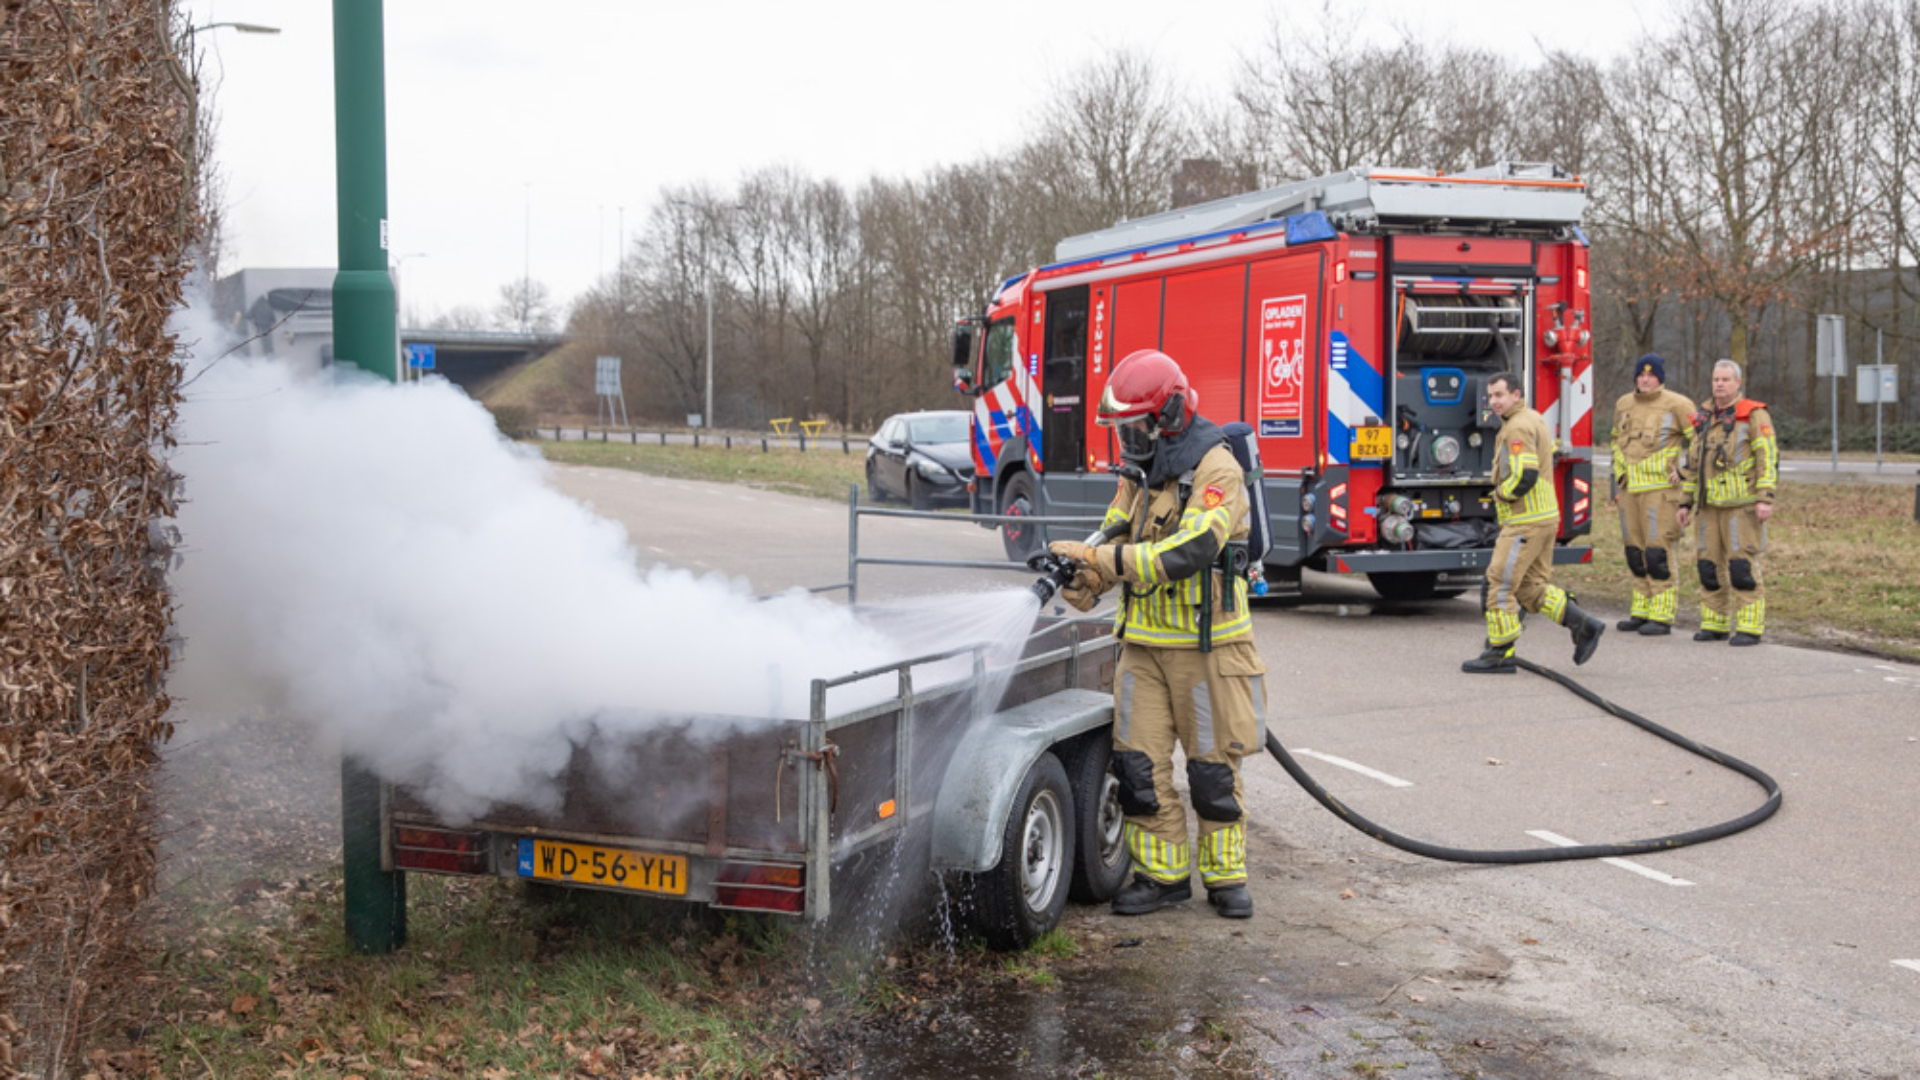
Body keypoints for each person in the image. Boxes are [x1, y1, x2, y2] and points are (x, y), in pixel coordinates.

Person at [1046, 348, 1267, 920]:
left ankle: (1225, 879)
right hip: (1143, 647)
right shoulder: (1137, 474)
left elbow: (1190, 549)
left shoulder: (1216, 469)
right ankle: (1163, 876)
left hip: (1208, 649)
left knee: (1212, 770)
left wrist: (1105, 560)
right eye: (1120, 428)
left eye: (1134, 425)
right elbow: (1116, 532)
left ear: (1168, 414)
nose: (1127, 438)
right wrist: (1083, 577)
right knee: (1139, 768)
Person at [1462, 372, 1606, 674]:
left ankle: (1499, 653)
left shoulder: (1517, 427)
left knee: (1499, 582)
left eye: (1500, 395)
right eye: (1491, 396)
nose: (1494, 402)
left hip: (1525, 521)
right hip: (1543, 518)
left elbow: (1525, 475)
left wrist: (1501, 494)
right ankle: (1583, 625)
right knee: (1529, 588)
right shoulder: (1534, 418)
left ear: (1516, 395)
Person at [1678, 359, 1777, 645]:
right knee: (1708, 566)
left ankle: (1749, 627)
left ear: (1737, 383)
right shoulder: (1704, 416)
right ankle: (1714, 623)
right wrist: (1685, 503)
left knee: (1741, 568)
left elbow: (1767, 459)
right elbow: (1693, 463)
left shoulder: (1754, 416)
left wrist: (1765, 498)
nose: (1719, 384)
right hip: (1708, 508)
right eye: (1715, 379)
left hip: (1740, 506)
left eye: (1725, 379)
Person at [1608, 353, 1696, 635]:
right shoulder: (1623, 404)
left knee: (1658, 552)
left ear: (1660, 378)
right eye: (1641, 374)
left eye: (1651, 375)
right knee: (1635, 551)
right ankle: (1641, 610)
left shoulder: (1678, 404)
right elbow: (1614, 442)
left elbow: (1702, 442)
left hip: (1660, 492)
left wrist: (1684, 472)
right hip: (1630, 490)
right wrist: (1619, 477)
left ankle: (1662, 615)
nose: (1645, 379)